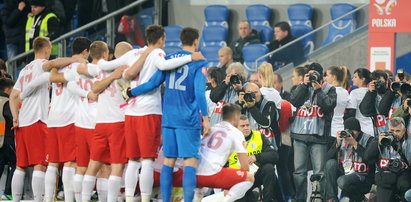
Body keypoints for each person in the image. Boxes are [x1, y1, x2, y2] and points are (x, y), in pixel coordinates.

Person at [125, 27, 210, 202]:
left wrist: (132, 92)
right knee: (190, 162)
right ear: (196, 41)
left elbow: (152, 83)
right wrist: (206, 119)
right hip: (188, 119)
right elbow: (200, 92)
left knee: (168, 161)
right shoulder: (199, 62)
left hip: (169, 118)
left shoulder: (169, 58)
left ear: (181, 41)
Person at [9, 36, 83, 202]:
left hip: (22, 121)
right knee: (40, 164)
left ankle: (15, 200)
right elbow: (50, 65)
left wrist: (15, 118)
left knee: (20, 165)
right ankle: (39, 199)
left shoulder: (24, 69)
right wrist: (74, 59)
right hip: (37, 119)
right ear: (47, 49)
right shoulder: (39, 66)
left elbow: (13, 96)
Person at [41, 37, 90, 202]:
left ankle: (48, 199)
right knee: (70, 162)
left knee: (53, 163)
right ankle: (69, 199)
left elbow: (51, 72)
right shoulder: (79, 67)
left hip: (53, 118)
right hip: (69, 118)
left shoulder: (59, 65)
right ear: (85, 51)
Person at [289, 62, 337, 202]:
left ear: (321, 75)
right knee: (299, 172)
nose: (313, 77)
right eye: (310, 74)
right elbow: (294, 101)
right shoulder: (301, 87)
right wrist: (304, 85)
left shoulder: (329, 89)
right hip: (300, 134)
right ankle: (300, 198)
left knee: (319, 172)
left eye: (316, 74)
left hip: (319, 136)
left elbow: (328, 106)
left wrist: (318, 90)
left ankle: (318, 198)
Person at [196, 103, 254, 202]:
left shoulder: (212, 128)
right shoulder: (236, 133)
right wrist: (232, 183)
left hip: (196, 173)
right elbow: (245, 166)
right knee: (249, 177)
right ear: (236, 116)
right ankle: (227, 200)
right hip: (213, 174)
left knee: (200, 191)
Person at [228, 115, 281, 202]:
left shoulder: (258, 136)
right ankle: (252, 195)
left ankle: (268, 200)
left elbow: (274, 155)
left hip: (255, 175)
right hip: (237, 180)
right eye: (242, 126)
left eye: (248, 125)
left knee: (269, 168)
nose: (246, 128)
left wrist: (256, 157)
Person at [324, 117, 374, 202]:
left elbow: (369, 159)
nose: (351, 134)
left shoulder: (369, 139)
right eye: (349, 131)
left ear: (359, 131)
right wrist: (337, 144)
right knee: (330, 163)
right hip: (346, 171)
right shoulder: (343, 138)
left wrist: (355, 144)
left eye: (353, 131)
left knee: (342, 181)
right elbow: (326, 159)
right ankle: (331, 198)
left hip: (361, 175)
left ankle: (359, 197)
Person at [364, 117, 411, 202]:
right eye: (392, 130)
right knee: (385, 181)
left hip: (402, 173)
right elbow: (367, 158)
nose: (395, 134)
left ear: (404, 131)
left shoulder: (408, 142)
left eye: (398, 131)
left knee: (405, 184)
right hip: (385, 173)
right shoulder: (382, 139)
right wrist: (377, 143)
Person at [238, 83, 281, 147]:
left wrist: (251, 107)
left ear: (260, 93)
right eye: (250, 93)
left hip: (269, 145)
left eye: (256, 92)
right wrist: (239, 105)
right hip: (251, 145)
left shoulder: (269, 104)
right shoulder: (245, 105)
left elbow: (266, 123)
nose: (253, 95)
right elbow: (234, 123)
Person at [359, 70, 390, 136]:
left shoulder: (394, 94)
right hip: (379, 134)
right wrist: (370, 92)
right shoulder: (372, 96)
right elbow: (365, 112)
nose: (379, 84)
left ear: (387, 81)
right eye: (376, 82)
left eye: (380, 81)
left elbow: (384, 110)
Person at [344, 68, 373, 136]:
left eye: (355, 77)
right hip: (373, 129)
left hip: (361, 129)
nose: (352, 79)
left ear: (363, 79)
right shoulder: (373, 92)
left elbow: (351, 113)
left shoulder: (354, 93)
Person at [324, 66, 350, 140]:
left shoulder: (327, 92)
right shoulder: (345, 92)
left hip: (329, 130)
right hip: (341, 129)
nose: (325, 78)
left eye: (327, 75)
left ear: (334, 77)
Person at [0, 78, 15, 200]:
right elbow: (11, 118)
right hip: (6, 139)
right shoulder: (6, 101)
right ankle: (8, 192)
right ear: (7, 90)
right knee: (17, 163)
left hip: (1, 138)